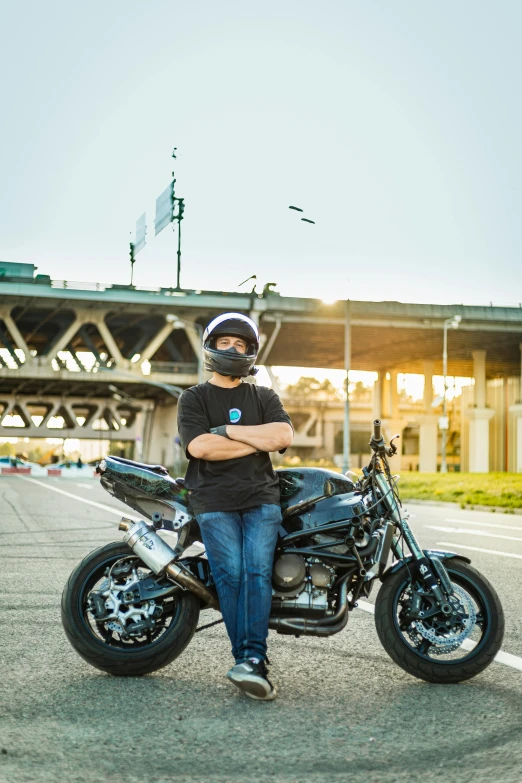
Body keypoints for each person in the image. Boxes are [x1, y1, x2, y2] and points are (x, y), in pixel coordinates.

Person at [177, 312, 293, 700]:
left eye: (241, 345)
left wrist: (226, 431)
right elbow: (199, 447)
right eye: (225, 342)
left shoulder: (264, 396)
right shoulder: (194, 397)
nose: (233, 349)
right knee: (231, 575)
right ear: (211, 347)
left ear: (250, 353)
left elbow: (282, 435)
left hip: (261, 498)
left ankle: (252, 661)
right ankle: (249, 659)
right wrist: (256, 440)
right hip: (212, 499)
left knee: (258, 573)